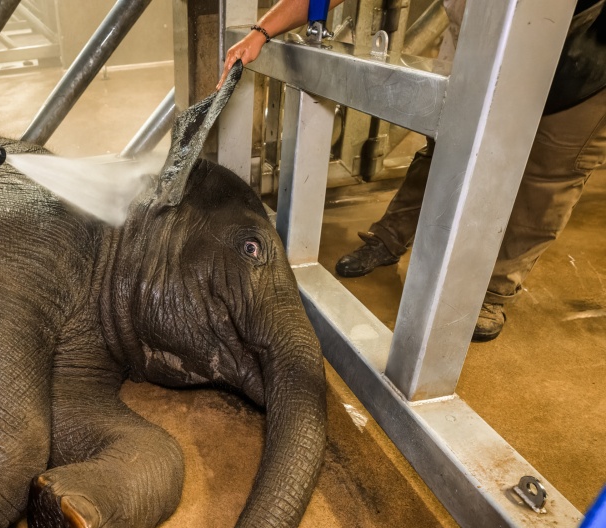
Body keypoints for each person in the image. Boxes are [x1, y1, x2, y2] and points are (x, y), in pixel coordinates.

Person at [219, 0, 606, 341]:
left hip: (587, 63)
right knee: (447, 148)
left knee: (548, 179)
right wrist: (261, 31)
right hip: (488, 46)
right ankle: (388, 240)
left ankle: (494, 291)